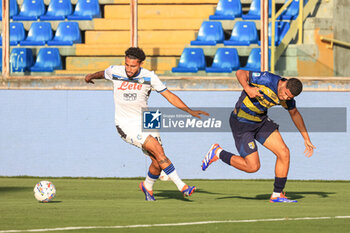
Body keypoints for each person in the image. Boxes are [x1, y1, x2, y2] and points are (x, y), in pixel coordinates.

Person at [85, 47, 208, 201]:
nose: (129, 70)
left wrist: (190, 111)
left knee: (157, 160)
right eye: (127, 65)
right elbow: (102, 73)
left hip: (148, 118)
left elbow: (169, 95)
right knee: (157, 150)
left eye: (133, 66)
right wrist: (90, 76)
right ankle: (182, 186)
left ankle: (147, 186)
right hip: (126, 123)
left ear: (141, 64)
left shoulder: (149, 77)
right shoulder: (115, 71)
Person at [201, 69, 316, 203]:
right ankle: (218, 152)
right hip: (242, 122)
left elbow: (295, 114)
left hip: (260, 122)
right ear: (284, 84)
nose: (285, 98)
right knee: (253, 167)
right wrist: (247, 88)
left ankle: (277, 195)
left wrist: (306, 138)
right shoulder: (267, 79)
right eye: (285, 94)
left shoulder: (288, 98)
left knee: (284, 153)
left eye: (289, 98)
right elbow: (240, 73)